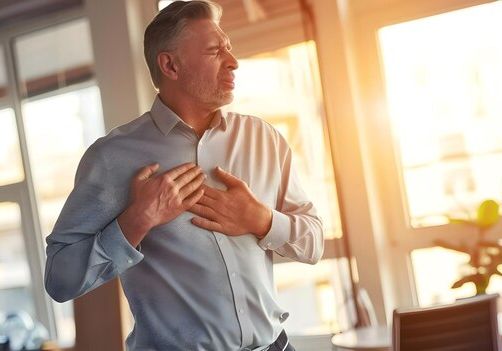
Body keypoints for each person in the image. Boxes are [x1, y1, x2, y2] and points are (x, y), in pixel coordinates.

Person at [44, 1, 323, 350]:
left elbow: (314, 242)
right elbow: (59, 279)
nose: (233, 62)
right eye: (214, 51)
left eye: (229, 48)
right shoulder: (112, 158)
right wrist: (136, 221)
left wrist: (261, 219)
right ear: (170, 65)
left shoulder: (263, 139)